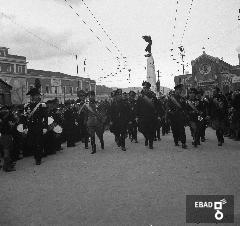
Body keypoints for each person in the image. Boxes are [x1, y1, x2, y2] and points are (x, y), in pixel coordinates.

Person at [24, 87, 48, 165]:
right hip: (31, 127)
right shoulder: (27, 105)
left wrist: (45, 127)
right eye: (34, 95)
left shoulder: (42, 105)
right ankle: (36, 155)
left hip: (39, 126)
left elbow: (45, 117)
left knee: (38, 143)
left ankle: (38, 158)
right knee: (32, 143)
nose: (37, 97)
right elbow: (25, 117)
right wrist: (25, 127)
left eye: (37, 95)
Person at [136, 81, 157, 149]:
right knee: (142, 129)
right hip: (142, 116)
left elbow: (156, 105)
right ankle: (147, 138)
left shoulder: (152, 95)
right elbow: (137, 106)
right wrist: (137, 116)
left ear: (149, 88)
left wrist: (157, 114)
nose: (145, 89)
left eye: (146, 88)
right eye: (144, 88)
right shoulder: (140, 96)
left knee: (151, 130)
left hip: (151, 116)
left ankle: (150, 143)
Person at [167, 84, 188, 149]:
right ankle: (176, 141)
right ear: (176, 90)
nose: (180, 91)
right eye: (179, 90)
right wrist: (170, 112)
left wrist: (184, 113)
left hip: (180, 116)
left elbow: (185, 107)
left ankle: (183, 143)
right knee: (174, 130)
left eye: (180, 90)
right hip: (173, 116)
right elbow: (168, 107)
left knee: (182, 130)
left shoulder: (182, 98)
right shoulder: (171, 98)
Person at [0, 106, 16, 172]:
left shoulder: (6, 116)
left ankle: (8, 164)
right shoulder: (6, 116)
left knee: (8, 149)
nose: (5, 110)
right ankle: (6, 167)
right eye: (3, 109)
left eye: (5, 109)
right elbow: (13, 121)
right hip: (5, 135)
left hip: (7, 134)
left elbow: (13, 122)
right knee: (6, 151)